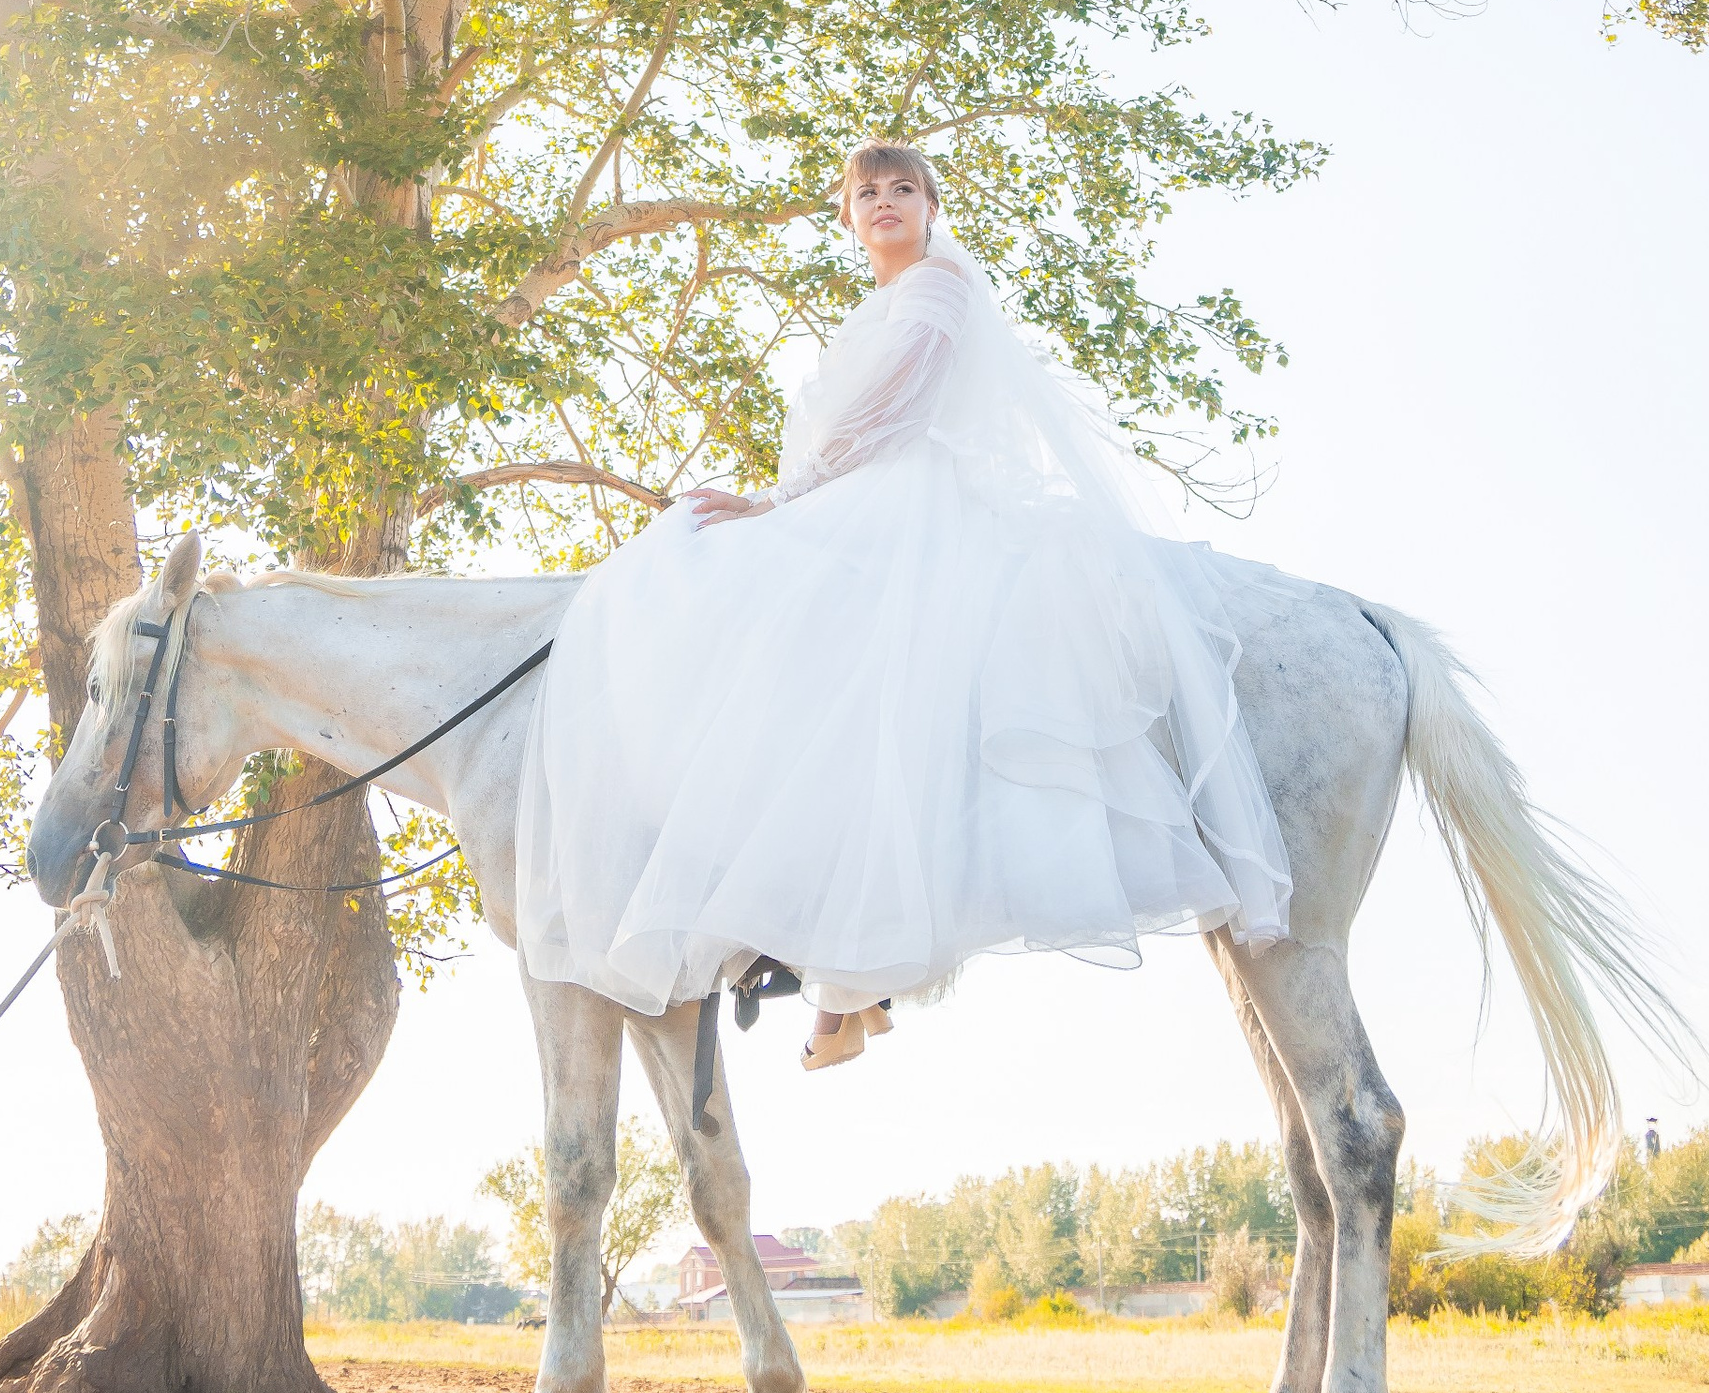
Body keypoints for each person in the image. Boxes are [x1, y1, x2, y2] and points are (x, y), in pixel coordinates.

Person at [515, 141, 1291, 1066]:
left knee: (763, 622)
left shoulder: (938, 285)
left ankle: (833, 963)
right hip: (866, 495)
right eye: (866, 192)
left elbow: (900, 403)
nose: (884, 202)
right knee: (769, 640)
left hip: (910, 502)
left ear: (929, 206)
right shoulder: (884, 300)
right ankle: (814, 947)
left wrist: (781, 497)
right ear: (847, 217)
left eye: (903, 189)